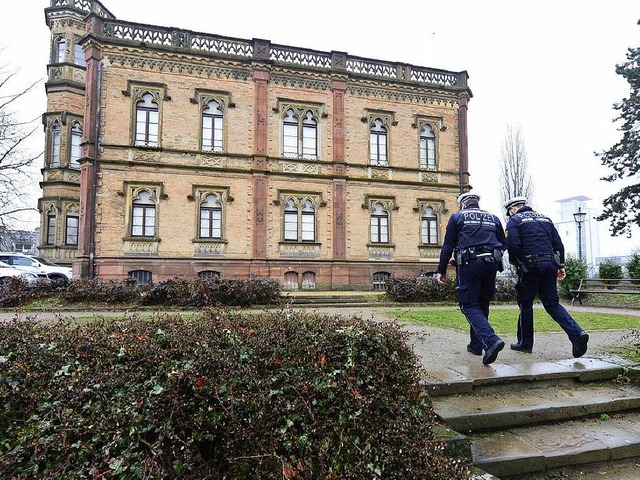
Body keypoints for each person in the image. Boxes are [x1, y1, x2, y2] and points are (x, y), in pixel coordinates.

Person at [503, 196, 589, 357]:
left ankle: (525, 343)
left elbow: (513, 245)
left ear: (513, 208)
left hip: (529, 267)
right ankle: (577, 334)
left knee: (526, 303)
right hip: (550, 265)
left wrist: (515, 262)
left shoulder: (515, 220)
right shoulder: (545, 219)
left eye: (509, 212)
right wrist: (560, 266)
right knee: (552, 304)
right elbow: (558, 244)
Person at [436, 192, 507, 365]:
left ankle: (491, 341)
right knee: (482, 302)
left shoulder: (458, 217)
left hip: (470, 263)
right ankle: (476, 345)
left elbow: (448, 246)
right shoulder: (494, 218)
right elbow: (504, 244)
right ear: (477, 203)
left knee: (468, 304)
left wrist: (441, 270)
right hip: (491, 263)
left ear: (463, 204)